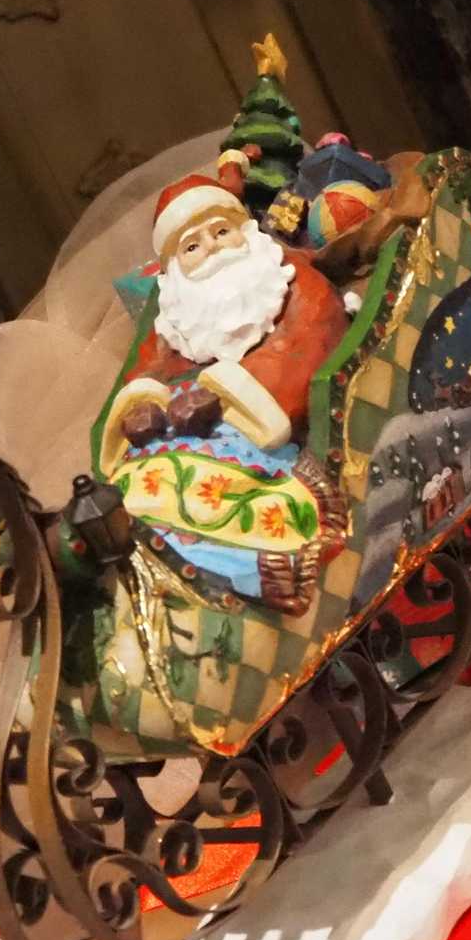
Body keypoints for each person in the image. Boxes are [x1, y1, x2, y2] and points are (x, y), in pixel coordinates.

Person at [93, 173, 349, 613]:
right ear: (176, 268)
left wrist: (226, 396)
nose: (211, 249)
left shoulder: (288, 279)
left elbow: (312, 341)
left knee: (223, 490)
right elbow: (149, 369)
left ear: (244, 231)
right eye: (192, 247)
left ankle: (251, 569)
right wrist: (145, 404)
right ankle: (148, 564)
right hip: (175, 439)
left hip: (264, 432)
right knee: (141, 485)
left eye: (221, 232)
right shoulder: (176, 316)